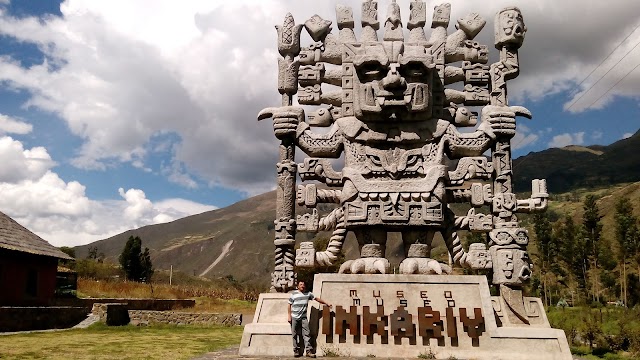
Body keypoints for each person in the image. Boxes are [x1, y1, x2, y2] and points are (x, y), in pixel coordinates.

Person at [288, 280, 331, 358]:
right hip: (294, 317)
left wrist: (326, 303)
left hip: (303, 317)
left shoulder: (308, 294)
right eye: (300, 284)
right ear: (298, 286)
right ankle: (296, 350)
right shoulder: (293, 294)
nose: (302, 286)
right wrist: (289, 316)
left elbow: (317, 299)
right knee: (294, 334)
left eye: (303, 284)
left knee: (307, 334)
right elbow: (289, 305)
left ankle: (308, 351)